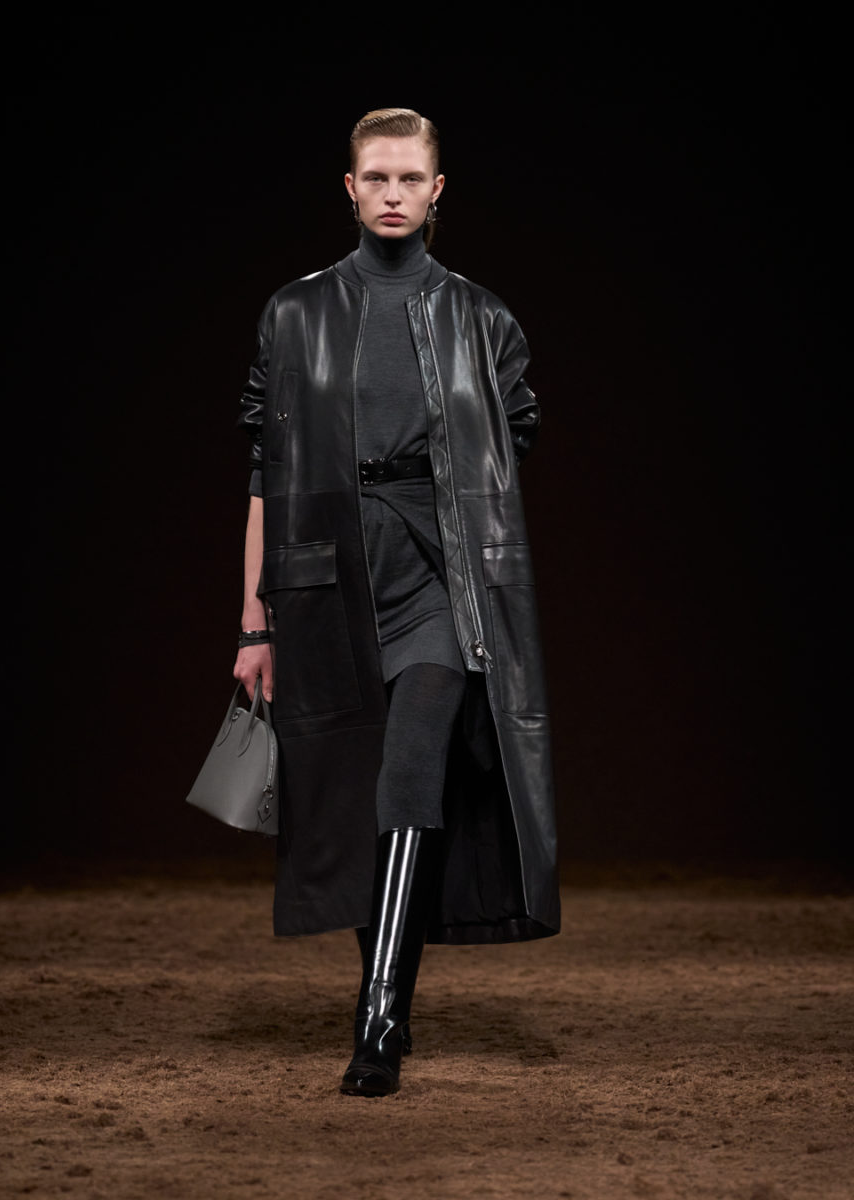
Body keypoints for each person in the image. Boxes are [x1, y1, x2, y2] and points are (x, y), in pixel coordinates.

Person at [233, 108, 559, 1097]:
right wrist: (254, 622)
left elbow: (501, 466)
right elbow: (265, 479)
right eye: (375, 176)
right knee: (354, 796)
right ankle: (391, 993)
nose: (391, 193)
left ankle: (376, 1024)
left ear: (436, 190)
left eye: (410, 178)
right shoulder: (295, 314)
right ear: (349, 187)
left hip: (439, 581)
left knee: (410, 775)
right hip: (328, 582)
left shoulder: (483, 320)